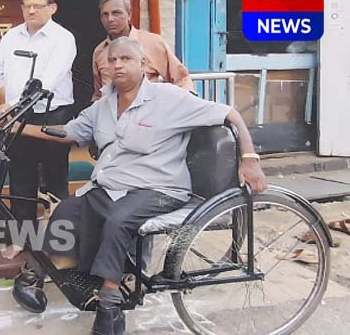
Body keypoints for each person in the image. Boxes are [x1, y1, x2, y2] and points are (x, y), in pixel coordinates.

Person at [14, 37, 267, 335]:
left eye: (125, 59)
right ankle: (42, 273)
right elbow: (70, 131)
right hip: (113, 187)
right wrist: (20, 127)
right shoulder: (103, 105)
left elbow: (229, 114)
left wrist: (249, 158)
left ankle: (110, 302)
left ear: (143, 64)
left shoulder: (168, 97)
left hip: (159, 188)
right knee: (68, 211)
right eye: (112, 60)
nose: (117, 65)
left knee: (118, 221)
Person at [0, 0, 77, 255]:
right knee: (20, 176)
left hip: (52, 114)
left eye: (38, 6)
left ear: (53, 8)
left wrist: (10, 106)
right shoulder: (12, 36)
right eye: (27, 6)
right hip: (17, 114)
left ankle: (58, 244)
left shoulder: (63, 39)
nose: (31, 11)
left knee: (55, 179)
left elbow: (46, 82)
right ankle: (20, 240)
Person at [92, 0, 193, 100]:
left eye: (116, 13)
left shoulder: (152, 43)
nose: (110, 19)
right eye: (105, 15)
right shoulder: (100, 51)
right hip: (111, 110)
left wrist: (178, 105)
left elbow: (182, 80)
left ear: (129, 14)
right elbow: (98, 94)